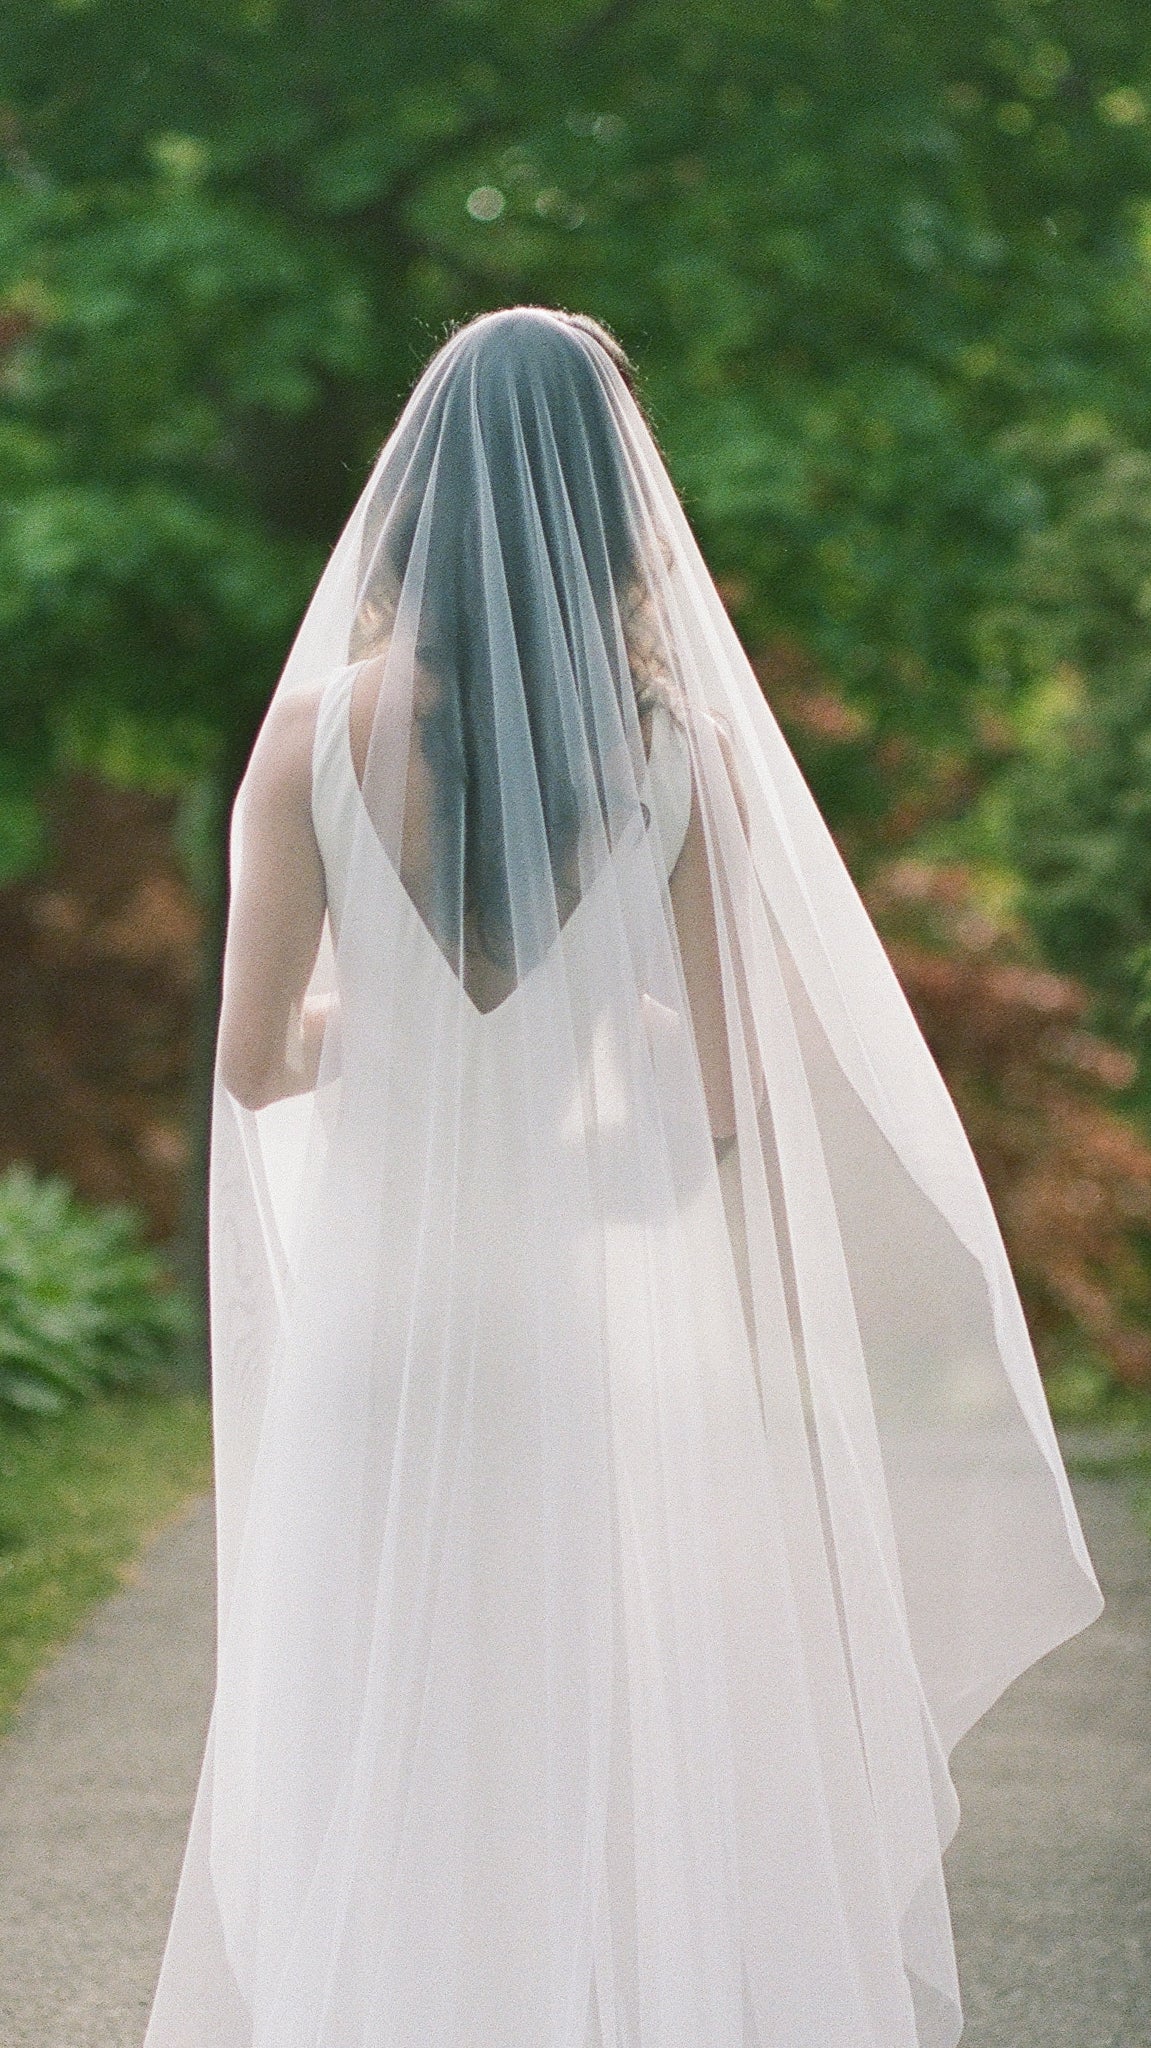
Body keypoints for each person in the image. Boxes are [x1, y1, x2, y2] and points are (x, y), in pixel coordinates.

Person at [143, 306, 1103, 2048]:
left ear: (414, 496)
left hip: (379, 1342)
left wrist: (392, 1040)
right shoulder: (679, 761)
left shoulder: (307, 744)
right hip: (577, 1341)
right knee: (589, 1736)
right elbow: (726, 1103)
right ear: (614, 507)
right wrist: (583, 1136)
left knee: (387, 1732)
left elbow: (252, 1062)